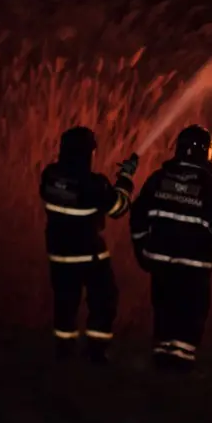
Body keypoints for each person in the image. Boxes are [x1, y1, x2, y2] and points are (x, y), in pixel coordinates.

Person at [130, 124, 212, 371]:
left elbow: (138, 216)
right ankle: (180, 366)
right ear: (205, 152)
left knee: (164, 308)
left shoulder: (158, 179)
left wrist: (140, 249)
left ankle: (162, 359)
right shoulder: (211, 186)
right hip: (194, 267)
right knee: (191, 312)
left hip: (159, 262)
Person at [39, 126, 137, 364]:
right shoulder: (94, 184)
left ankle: (63, 350)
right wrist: (125, 179)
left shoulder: (50, 175)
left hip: (58, 253)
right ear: (87, 153)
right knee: (104, 299)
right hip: (88, 254)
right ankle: (96, 351)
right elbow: (118, 208)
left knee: (65, 302)